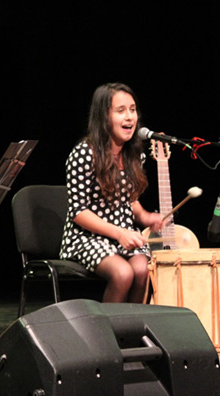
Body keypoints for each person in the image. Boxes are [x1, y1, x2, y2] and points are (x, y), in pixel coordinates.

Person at [60, 82, 163, 303]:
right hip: (86, 238)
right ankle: (106, 335)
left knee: (144, 270)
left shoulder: (134, 156)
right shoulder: (83, 155)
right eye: (121, 111)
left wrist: (146, 217)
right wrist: (119, 233)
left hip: (122, 236)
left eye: (133, 110)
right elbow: (79, 212)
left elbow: (130, 202)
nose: (129, 117)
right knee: (123, 273)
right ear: (103, 117)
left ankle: (131, 332)